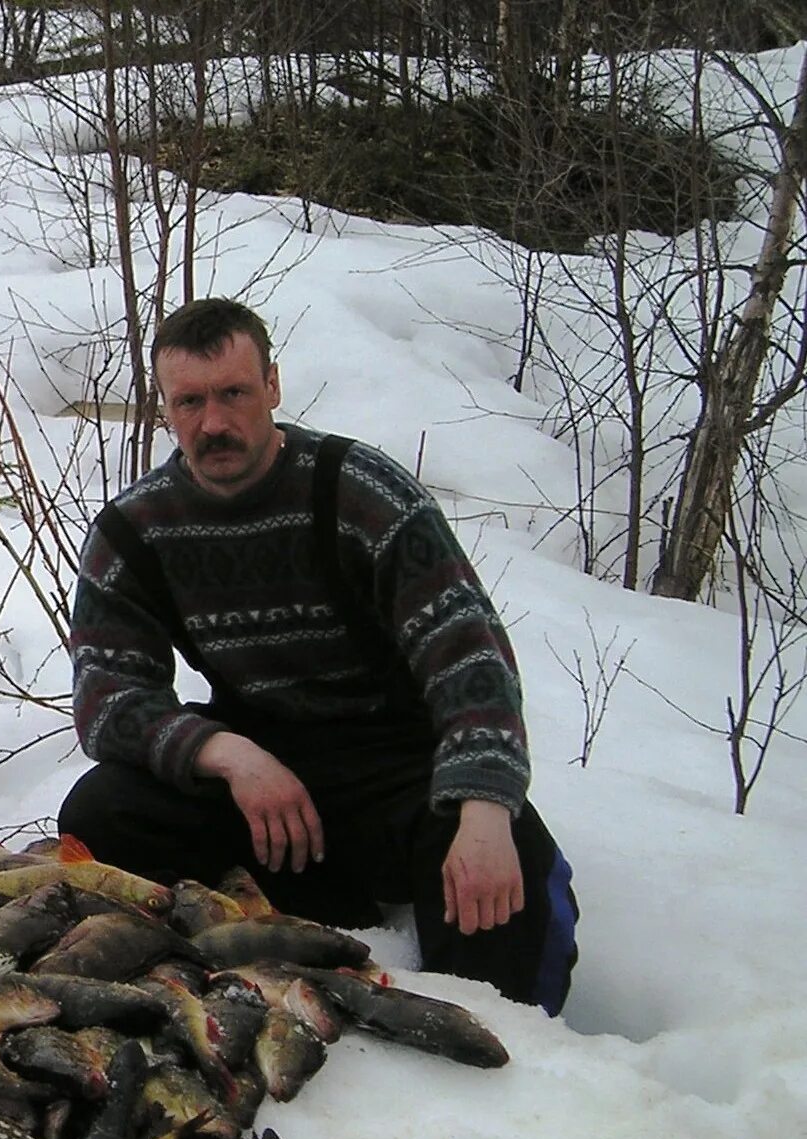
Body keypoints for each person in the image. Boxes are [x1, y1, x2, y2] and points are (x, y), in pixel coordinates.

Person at [59, 298, 576, 1013]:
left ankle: (505, 1058)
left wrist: (485, 807)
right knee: (104, 811)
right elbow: (105, 698)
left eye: (233, 394)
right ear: (164, 408)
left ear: (271, 385)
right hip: (264, 776)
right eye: (190, 402)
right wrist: (228, 755)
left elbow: (471, 662)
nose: (213, 423)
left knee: (504, 866)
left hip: (399, 770)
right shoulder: (133, 529)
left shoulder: (357, 492)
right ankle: (189, 993)